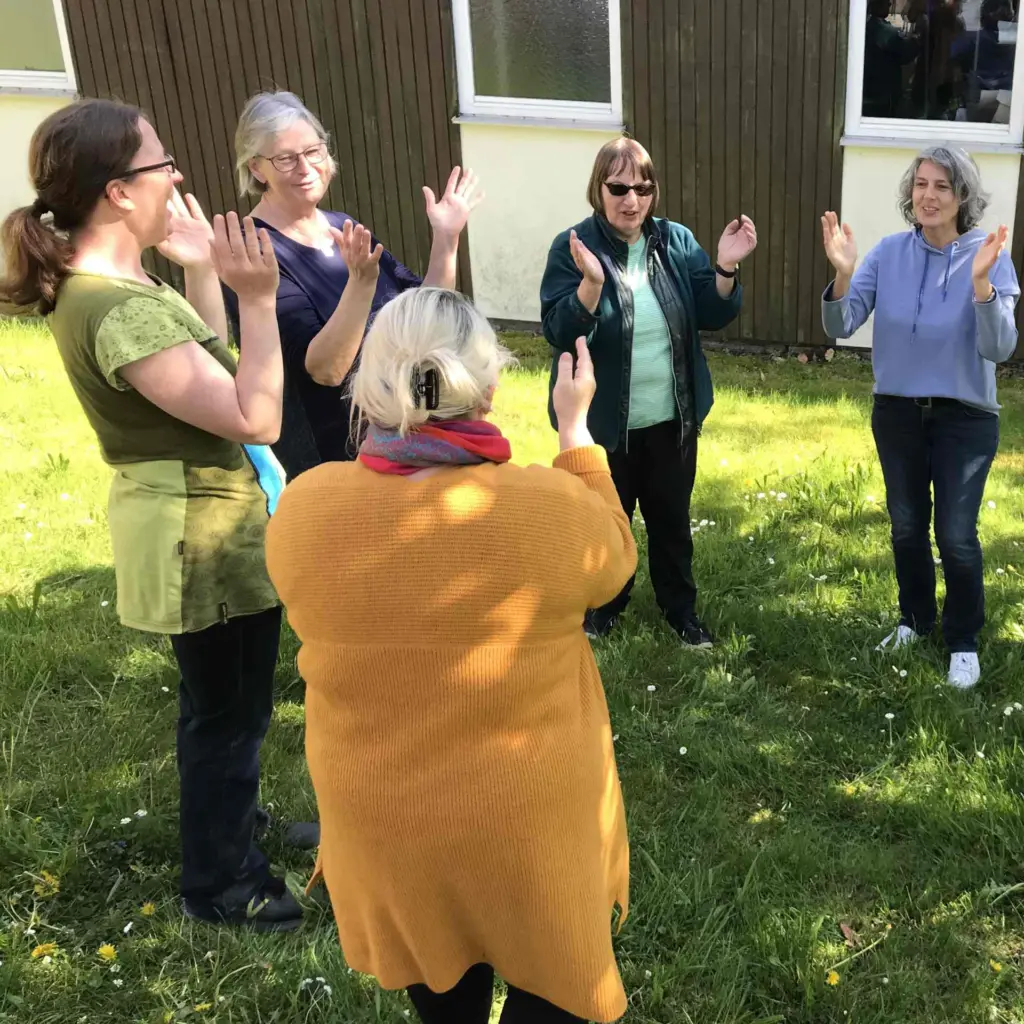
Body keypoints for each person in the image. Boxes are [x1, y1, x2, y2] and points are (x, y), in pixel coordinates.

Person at [265, 287, 638, 1024]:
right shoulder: (548, 511)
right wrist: (574, 432)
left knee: (438, 995)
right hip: (530, 818)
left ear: (368, 387)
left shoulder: (304, 510)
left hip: (382, 824)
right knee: (555, 986)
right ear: (491, 387)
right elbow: (616, 559)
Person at [0, 98, 302, 930]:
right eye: (159, 165)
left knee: (223, 705)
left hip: (203, 522)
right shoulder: (116, 306)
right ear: (117, 192)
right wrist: (261, 297)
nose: (176, 177)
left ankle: (232, 823)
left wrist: (204, 269)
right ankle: (222, 884)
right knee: (228, 714)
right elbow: (254, 415)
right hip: (197, 538)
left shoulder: (121, 285)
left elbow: (207, 365)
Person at [539, 137, 757, 648]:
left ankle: (680, 612)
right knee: (603, 523)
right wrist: (590, 285)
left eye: (642, 188)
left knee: (671, 523)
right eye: (618, 188)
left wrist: (724, 268)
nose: (630, 200)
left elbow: (712, 312)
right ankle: (603, 608)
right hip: (602, 425)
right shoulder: (571, 246)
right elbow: (556, 329)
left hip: (671, 418)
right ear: (599, 189)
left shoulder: (675, 242)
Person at [821, 144, 1019, 690]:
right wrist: (843, 275)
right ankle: (913, 619)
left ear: (962, 198)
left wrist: (981, 287)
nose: (929, 196)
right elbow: (841, 324)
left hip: (966, 418)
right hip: (898, 414)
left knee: (955, 533)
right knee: (907, 526)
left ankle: (962, 639)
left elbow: (1001, 347)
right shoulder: (888, 253)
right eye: (922, 184)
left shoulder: (990, 253)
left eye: (943, 187)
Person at [229, 90, 482, 478]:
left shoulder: (339, 224)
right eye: (286, 158)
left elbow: (424, 315)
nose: (306, 168)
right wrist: (360, 286)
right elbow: (325, 370)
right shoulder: (254, 254)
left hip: (406, 441)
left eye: (313, 151)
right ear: (257, 169)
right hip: (339, 462)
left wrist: (446, 239)